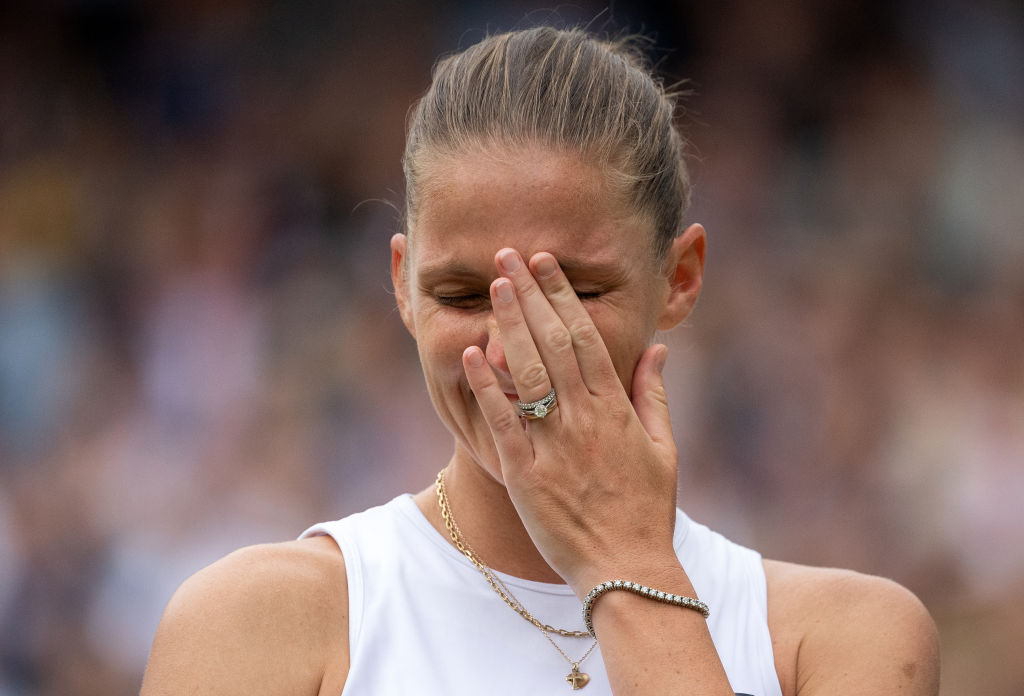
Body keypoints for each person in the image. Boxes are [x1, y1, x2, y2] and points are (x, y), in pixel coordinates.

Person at [140, 26, 939, 695]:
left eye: (576, 291)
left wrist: (619, 555)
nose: (514, 346)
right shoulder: (252, 625)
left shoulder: (841, 638)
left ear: (680, 278)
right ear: (402, 288)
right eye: (460, 294)